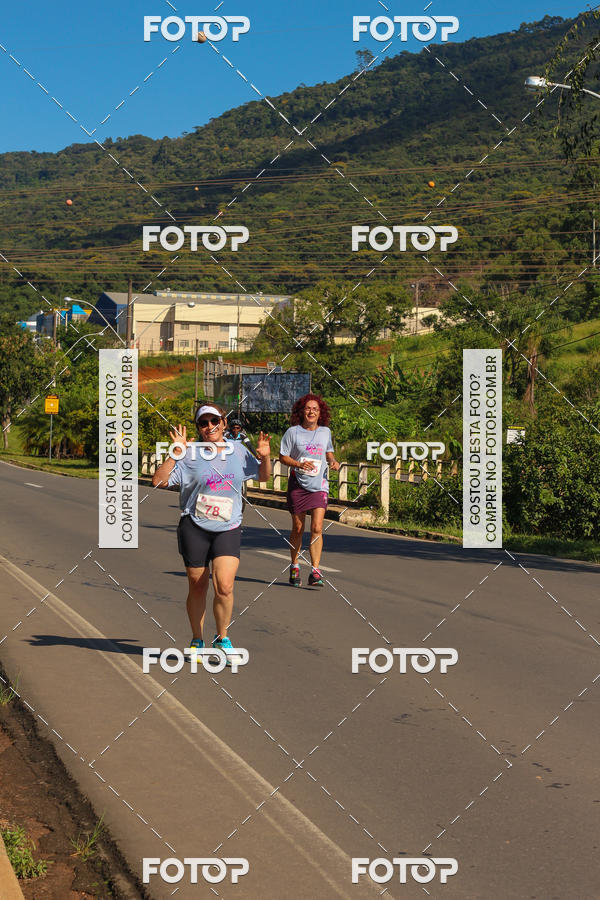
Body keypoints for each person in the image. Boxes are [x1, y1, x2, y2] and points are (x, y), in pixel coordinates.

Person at [153, 404, 271, 663]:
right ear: (198, 428)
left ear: (224, 424)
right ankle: (197, 638)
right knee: (198, 586)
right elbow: (159, 481)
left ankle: (223, 637)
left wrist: (265, 457)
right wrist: (174, 454)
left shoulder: (238, 451)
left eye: (214, 420)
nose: (210, 427)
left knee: (225, 586)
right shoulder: (189, 454)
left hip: (227, 527)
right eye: (203, 423)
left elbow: (263, 477)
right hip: (194, 526)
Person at [279, 393, 340, 587]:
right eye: (308, 408)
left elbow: (328, 451)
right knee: (298, 528)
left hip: (319, 485)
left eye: (315, 409)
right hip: (298, 484)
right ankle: (295, 564)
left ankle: (315, 570)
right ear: (301, 411)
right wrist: (298, 464)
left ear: (320, 412)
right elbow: (283, 457)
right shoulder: (292, 432)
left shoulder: (325, 432)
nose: (311, 411)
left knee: (317, 528)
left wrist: (332, 461)